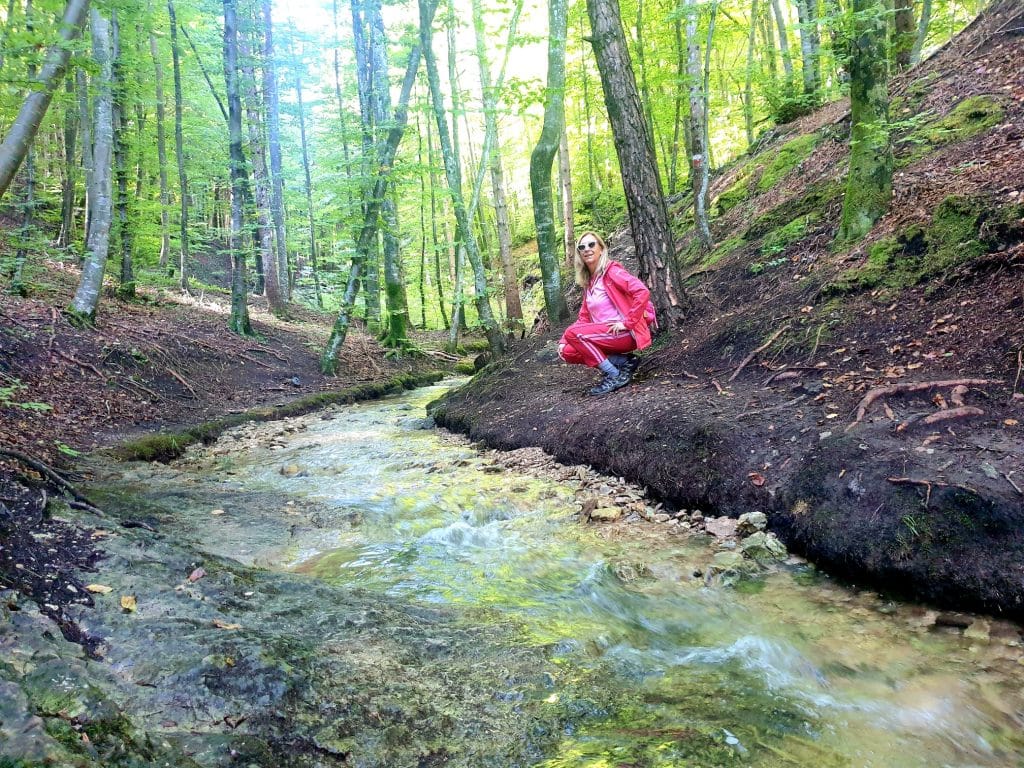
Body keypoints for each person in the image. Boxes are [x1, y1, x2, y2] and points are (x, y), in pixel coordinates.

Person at [558, 231, 654, 396]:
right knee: (567, 351)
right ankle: (625, 362)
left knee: (573, 334)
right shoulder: (590, 282)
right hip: (605, 335)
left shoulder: (612, 272)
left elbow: (642, 291)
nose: (587, 249)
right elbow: (583, 318)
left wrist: (627, 323)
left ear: (601, 249)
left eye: (591, 244)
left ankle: (614, 374)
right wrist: (562, 341)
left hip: (624, 334)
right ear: (579, 254)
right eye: (582, 247)